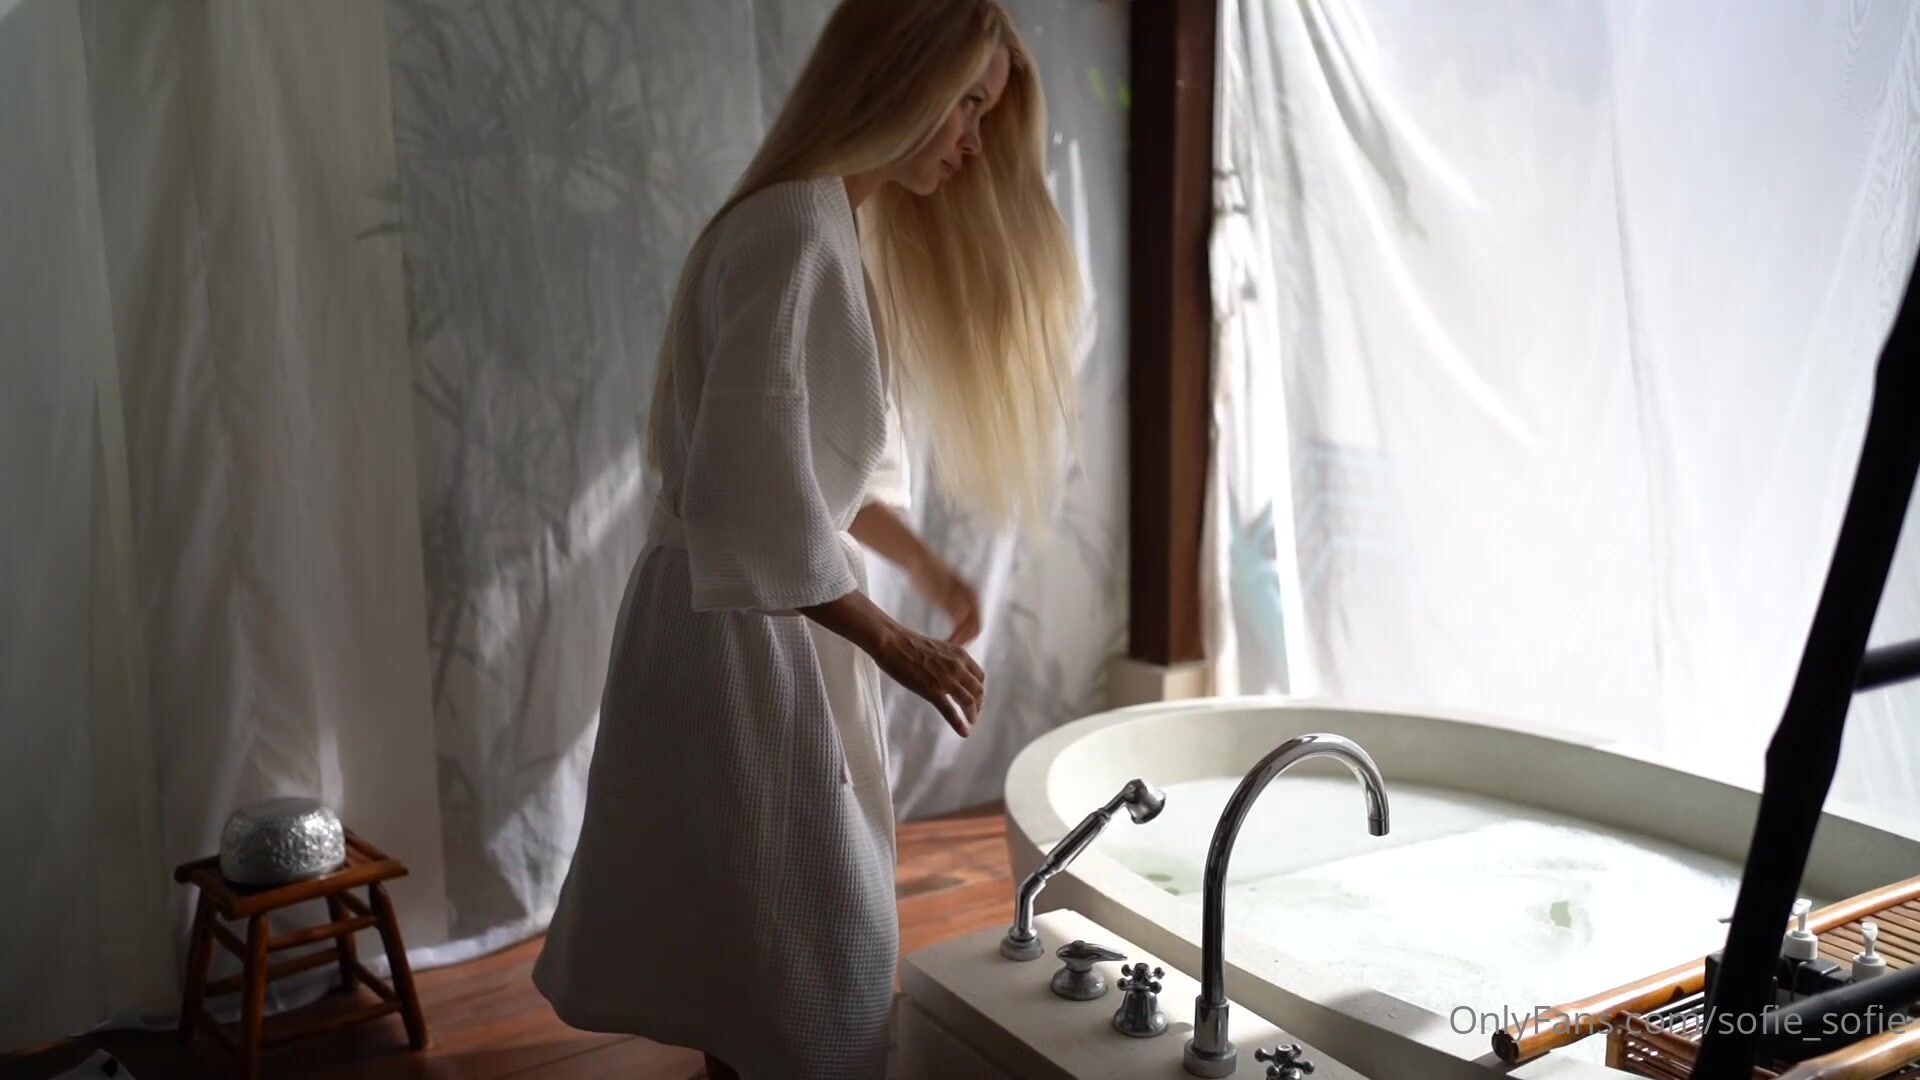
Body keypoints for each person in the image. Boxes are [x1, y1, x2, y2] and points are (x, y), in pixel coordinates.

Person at [531, 0, 1082, 1076]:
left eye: (984, 112)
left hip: (758, 612)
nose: (973, 141)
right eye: (966, 104)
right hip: (739, 628)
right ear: (903, 80)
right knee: (806, 941)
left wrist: (927, 568)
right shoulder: (790, 232)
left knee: (763, 930)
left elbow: (801, 474)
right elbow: (751, 498)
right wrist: (898, 643)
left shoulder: (826, 226)